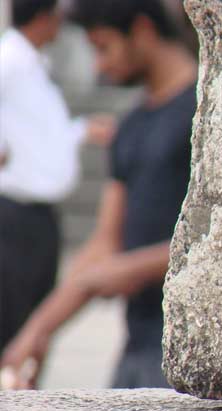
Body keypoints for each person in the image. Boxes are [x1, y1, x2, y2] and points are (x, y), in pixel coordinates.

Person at [0, 0, 197, 389]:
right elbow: (103, 246)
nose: (98, 66)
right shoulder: (131, 127)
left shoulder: (203, 113)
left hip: (193, 343)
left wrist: (130, 268)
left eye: (103, 47)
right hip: (138, 345)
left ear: (141, 30)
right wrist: (37, 332)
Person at [0, 0, 113, 366]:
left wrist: (81, 131)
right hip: (12, 212)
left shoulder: (33, 65)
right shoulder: (10, 59)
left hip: (37, 215)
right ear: (43, 18)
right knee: (12, 318)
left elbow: (39, 132)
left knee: (33, 315)